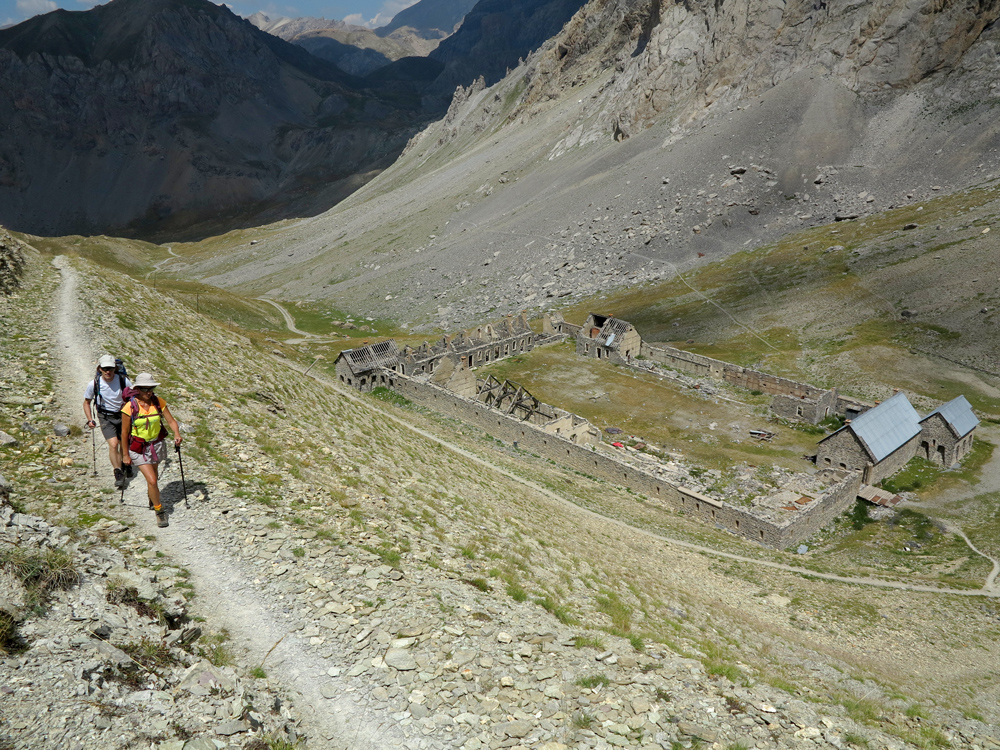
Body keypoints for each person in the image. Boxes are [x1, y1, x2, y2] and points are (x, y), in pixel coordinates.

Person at [121, 373, 182, 528]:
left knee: (154, 476)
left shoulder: (158, 402)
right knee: (152, 480)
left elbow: (171, 421)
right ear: (137, 389)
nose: (149, 392)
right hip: (138, 448)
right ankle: (159, 510)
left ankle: (152, 496)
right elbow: (124, 433)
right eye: (145, 389)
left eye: (151, 388)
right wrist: (125, 454)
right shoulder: (129, 407)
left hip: (156, 445)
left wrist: (176, 434)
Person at [83, 354, 133, 489]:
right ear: (100, 368)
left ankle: (124, 463)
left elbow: (133, 398)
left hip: (123, 415)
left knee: (124, 442)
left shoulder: (124, 381)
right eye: (105, 368)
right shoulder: (94, 383)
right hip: (105, 417)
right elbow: (86, 402)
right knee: (113, 443)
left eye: (110, 368)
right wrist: (90, 419)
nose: (108, 371)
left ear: (115, 368)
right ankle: (118, 472)